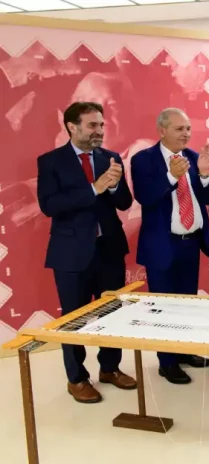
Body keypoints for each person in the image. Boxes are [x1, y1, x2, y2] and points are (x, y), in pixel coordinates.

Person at [37, 101, 136, 403]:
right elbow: (49, 205)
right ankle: (77, 378)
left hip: (109, 251)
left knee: (113, 313)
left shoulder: (110, 158)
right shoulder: (51, 161)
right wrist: (94, 188)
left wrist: (114, 186)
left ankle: (110, 368)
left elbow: (124, 202)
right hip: (70, 254)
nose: (99, 131)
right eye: (92, 125)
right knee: (73, 319)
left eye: (101, 125)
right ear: (72, 127)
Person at [130, 108, 209, 385]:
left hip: (190, 244)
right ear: (162, 131)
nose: (186, 134)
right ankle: (167, 362)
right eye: (180, 129)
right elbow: (145, 197)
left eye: (188, 128)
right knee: (163, 308)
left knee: (186, 305)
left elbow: (208, 198)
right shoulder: (143, 159)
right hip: (161, 247)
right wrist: (170, 176)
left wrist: (205, 175)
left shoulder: (192, 157)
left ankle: (183, 351)